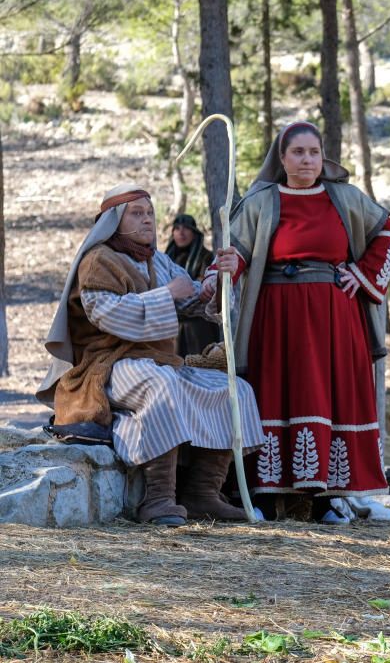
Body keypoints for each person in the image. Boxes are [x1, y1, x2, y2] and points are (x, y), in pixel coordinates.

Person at [37, 184, 266, 527]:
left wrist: (217, 283)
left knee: (232, 389)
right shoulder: (97, 260)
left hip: (159, 362)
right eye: (137, 213)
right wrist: (166, 295)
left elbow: (193, 299)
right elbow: (107, 315)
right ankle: (158, 500)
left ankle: (203, 494)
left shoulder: (156, 260)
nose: (148, 220)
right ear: (114, 220)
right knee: (161, 385)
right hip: (106, 366)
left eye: (150, 213)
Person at [221, 120, 390, 523]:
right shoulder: (260, 201)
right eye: (297, 152)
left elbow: (386, 231)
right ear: (281, 159)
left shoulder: (345, 197)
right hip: (275, 315)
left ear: (323, 157)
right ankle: (264, 499)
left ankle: (324, 500)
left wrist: (364, 275)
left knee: (326, 394)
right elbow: (236, 255)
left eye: (313, 153)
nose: (306, 160)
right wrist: (226, 270)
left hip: (335, 317)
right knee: (274, 393)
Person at [164, 213, 221, 356]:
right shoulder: (166, 259)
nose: (181, 233)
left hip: (199, 327)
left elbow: (203, 288)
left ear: (194, 232)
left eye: (186, 228)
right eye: (177, 228)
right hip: (173, 325)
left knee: (200, 364)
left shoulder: (206, 257)